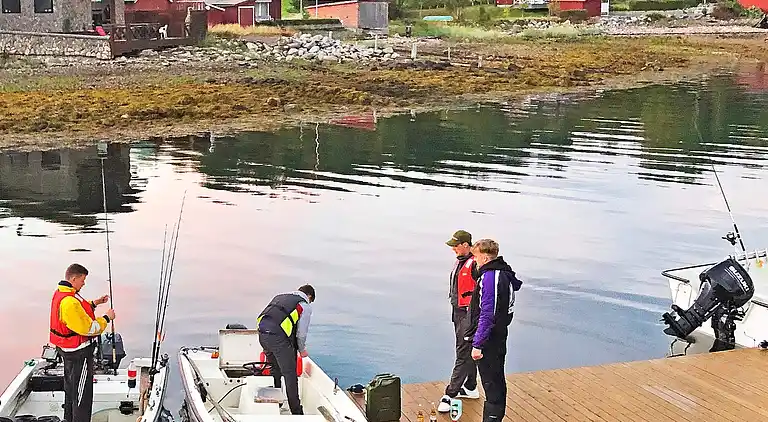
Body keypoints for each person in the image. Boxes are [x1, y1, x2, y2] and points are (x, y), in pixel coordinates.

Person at [49, 263, 116, 422]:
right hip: (79, 353)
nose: (84, 283)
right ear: (73, 278)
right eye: (82, 280)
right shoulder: (69, 302)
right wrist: (107, 318)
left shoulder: (63, 292)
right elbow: (89, 328)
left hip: (66, 350)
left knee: (71, 391)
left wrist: (95, 303)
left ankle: (69, 419)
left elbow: (78, 313)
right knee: (82, 396)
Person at [465, 239, 522, 422]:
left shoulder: (491, 277)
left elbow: (488, 314)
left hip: (490, 339)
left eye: (476, 257)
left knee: (492, 385)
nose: (474, 261)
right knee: (495, 381)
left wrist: (478, 344)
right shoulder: (502, 274)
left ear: (484, 257)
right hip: (497, 336)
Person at [438, 230, 480, 413]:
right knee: (464, 350)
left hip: (469, 315)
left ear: (466, 245)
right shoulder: (460, 260)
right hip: (458, 311)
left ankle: (450, 394)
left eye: (456, 245)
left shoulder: (474, 265)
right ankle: (470, 387)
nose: (453, 248)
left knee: (463, 353)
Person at [256, 284, 315, 415]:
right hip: (277, 338)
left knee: (275, 369)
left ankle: (277, 402)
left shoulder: (279, 297)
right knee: (290, 375)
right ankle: (297, 413)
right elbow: (301, 333)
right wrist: (302, 350)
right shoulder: (304, 305)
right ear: (309, 296)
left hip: (262, 334)